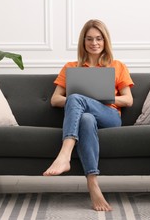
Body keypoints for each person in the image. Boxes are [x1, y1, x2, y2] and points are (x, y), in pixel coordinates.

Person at [43, 19, 134, 211]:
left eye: (99, 39)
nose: (94, 43)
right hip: (86, 119)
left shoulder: (117, 66)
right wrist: (81, 100)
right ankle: (93, 185)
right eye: (90, 39)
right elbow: (55, 99)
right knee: (85, 117)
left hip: (109, 116)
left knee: (77, 98)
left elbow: (128, 100)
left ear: (105, 41)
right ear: (83, 42)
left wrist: (99, 98)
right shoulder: (71, 67)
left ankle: (64, 154)